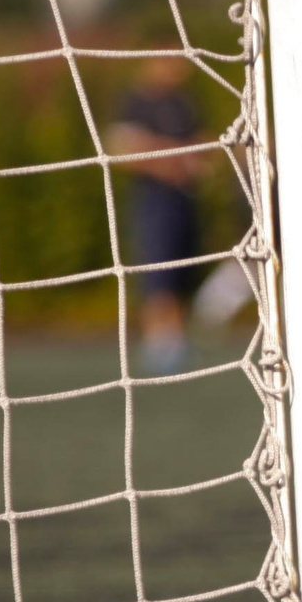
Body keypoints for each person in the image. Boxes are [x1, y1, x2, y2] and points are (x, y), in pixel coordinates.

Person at [110, 54, 209, 374]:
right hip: (153, 198)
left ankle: (178, 340)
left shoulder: (185, 103)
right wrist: (167, 159)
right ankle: (158, 343)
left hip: (185, 197)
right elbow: (121, 148)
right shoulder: (136, 102)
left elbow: (200, 147)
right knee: (157, 267)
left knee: (183, 267)